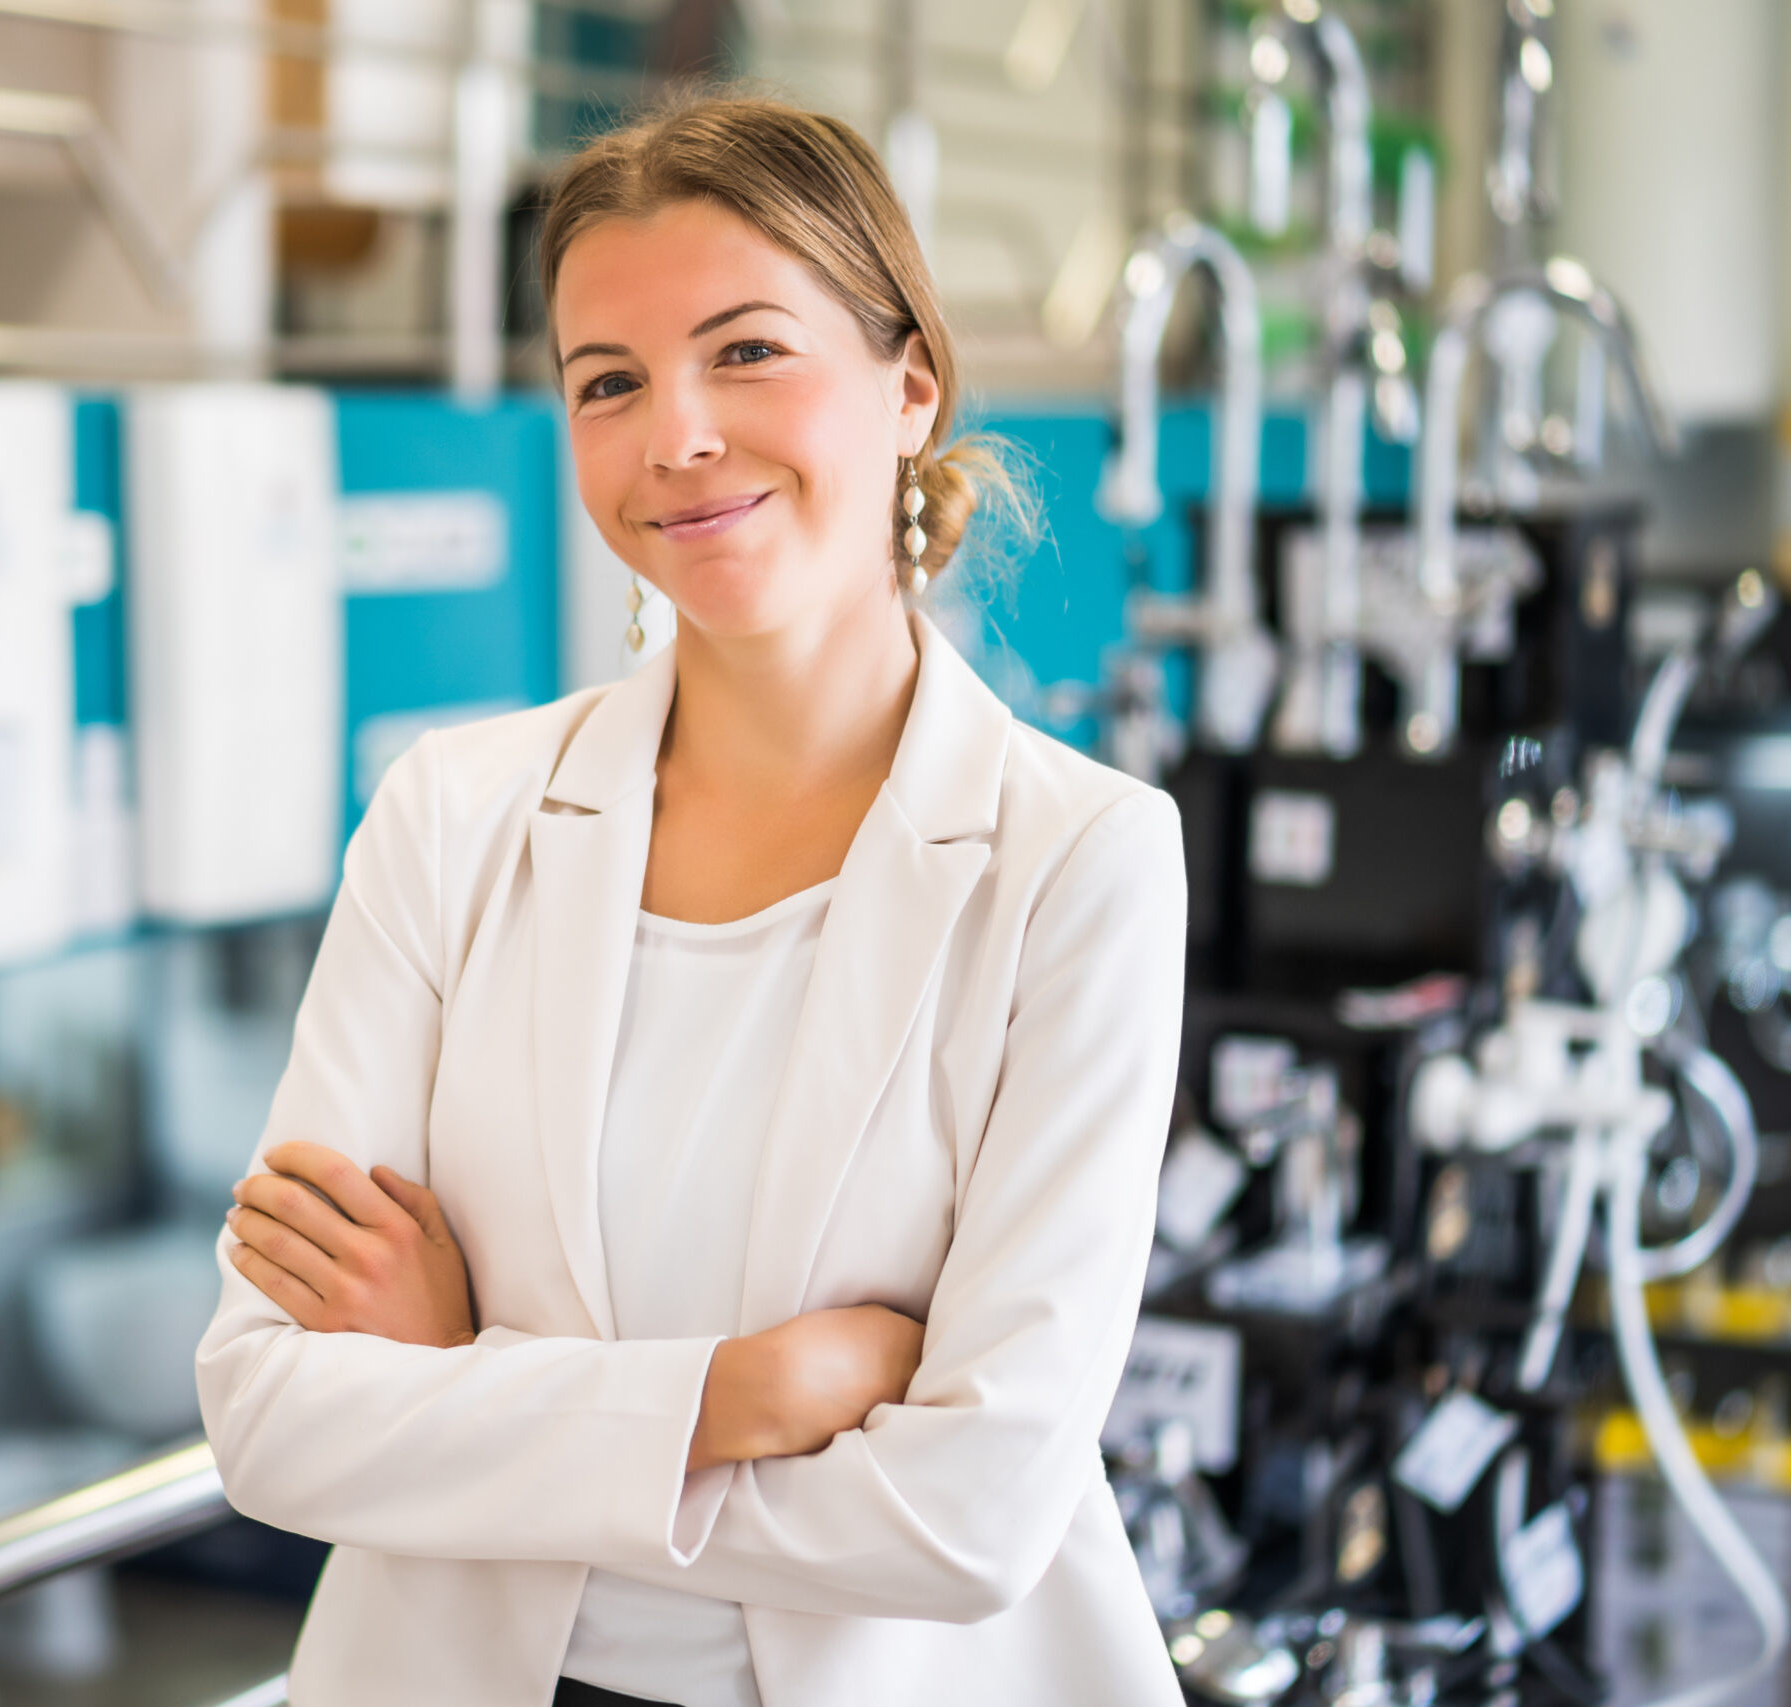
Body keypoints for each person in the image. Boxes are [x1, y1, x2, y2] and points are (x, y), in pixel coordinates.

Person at [195, 93, 1187, 1707]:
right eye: (609, 382)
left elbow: (973, 1518)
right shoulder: (456, 819)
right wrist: (739, 1395)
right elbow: (269, 1412)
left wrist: (463, 1390)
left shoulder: (1080, 862)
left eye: (746, 352)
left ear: (910, 382)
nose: (677, 437)